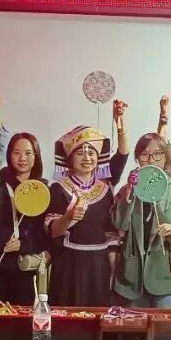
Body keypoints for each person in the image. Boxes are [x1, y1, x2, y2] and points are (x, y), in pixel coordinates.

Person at [114, 133, 171, 308]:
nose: (151, 160)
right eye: (145, 154)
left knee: (166, 323)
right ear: (137, 158)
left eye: (157, 154)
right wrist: (129, 192)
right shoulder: (128, 188)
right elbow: (119, 224)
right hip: (132, 276)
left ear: (166, 157)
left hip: (166, 274)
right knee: (134, 323)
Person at [0, 133, 51, 305]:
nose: (22, 158)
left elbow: (42, 231)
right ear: (8, 155)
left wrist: (23, 244)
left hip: (24, 265)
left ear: (36, 156)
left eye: (28, 153)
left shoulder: (42, 188)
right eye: (17, 153)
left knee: (21, 315)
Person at [45, 126, 117, 306]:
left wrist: (113, 269)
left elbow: (110, 233)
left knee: (97, 315)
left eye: (91, 153)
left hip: (99, 265)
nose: (87, 158)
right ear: (70, 158)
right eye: (80, 153)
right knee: (68, 316)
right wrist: (69, 217)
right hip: (69, 264)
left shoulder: (105, 190)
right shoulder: (58, 188)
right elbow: (53, 231)